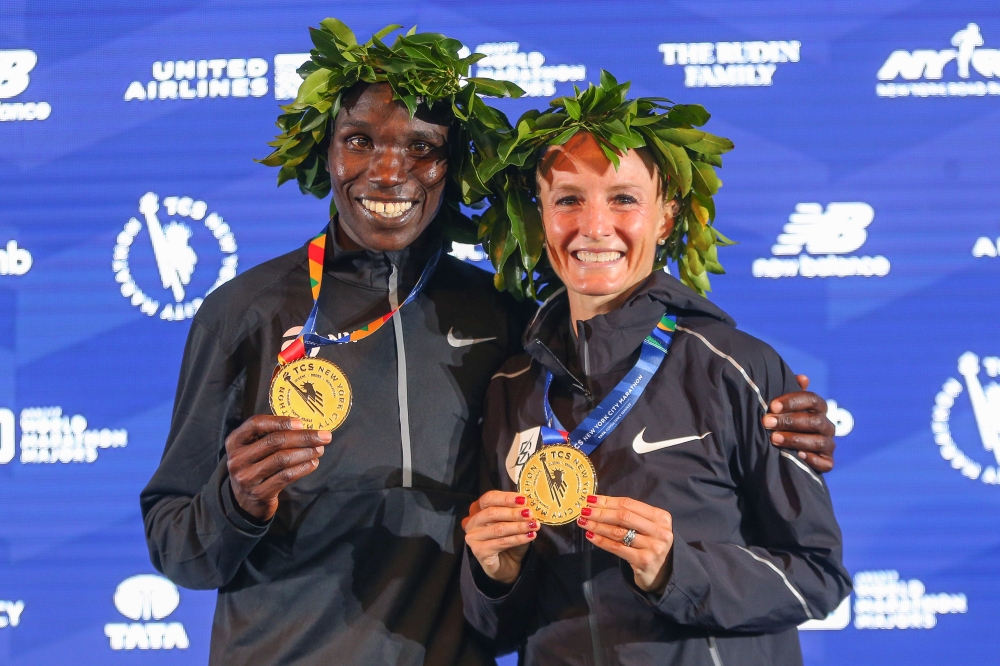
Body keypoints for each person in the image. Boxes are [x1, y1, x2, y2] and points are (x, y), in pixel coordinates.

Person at [140, 21, 836, 666]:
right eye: (361, 140)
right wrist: (237, 504)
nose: (388, 172)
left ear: (453, 167)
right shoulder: (242, 314)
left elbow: (640, 359)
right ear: (326, 150)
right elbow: (179, 548)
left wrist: (777, 414)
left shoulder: (510, 328)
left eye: (421, 148)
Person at [461, 77, 851, 665]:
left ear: (665, 218)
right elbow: (496, 631)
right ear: (539, 218)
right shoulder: (511, 386)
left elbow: (817, 578)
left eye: (623, 199)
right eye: (568, 199)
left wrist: (678, 569)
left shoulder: (735, 366)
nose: (594, 226)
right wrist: (495, 574)